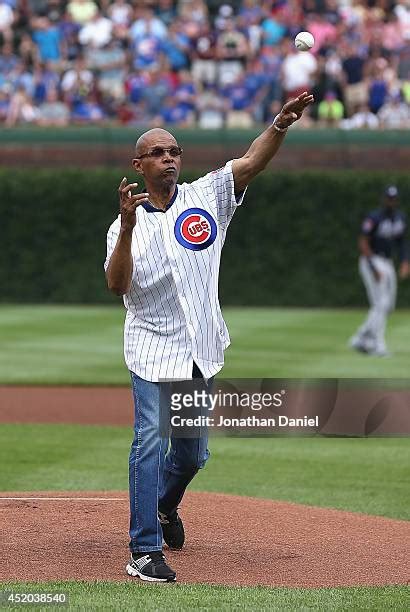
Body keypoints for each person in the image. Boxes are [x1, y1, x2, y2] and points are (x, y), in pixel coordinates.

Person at [104, 91, 313, 583]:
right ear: (138, 164)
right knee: (150, 441)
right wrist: (131, 228)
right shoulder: (122, 226)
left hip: (199, 350)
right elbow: (117, 285)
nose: (169, 158)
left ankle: (162, 508)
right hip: (152, 350)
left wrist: (279, 124)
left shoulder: (205, 197)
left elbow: (250, 163)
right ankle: (143, 551)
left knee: (193, 454)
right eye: (158, 152)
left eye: (174, 151)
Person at [350, 185, 409, 357]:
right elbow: (363, 242)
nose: (391, 202)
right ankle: (377, 344)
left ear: (397, 200)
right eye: (389, 198)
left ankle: (361, 337)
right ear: (384, 199)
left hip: (388, 263)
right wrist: (372, 266)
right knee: (380, 304)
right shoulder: (374, 217)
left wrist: (405, 261)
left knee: (388, 306)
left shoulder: (400, 218)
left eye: (394, 198)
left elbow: (402, 242)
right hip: (373, 260)